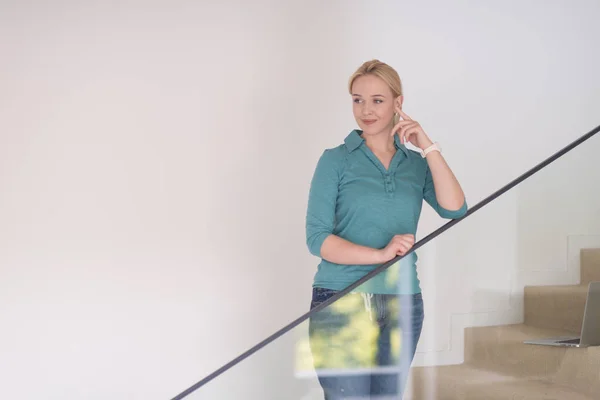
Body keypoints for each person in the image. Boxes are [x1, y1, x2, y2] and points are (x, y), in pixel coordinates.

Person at [305, 59, 468, 399]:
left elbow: (455, 209)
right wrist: (379, 254)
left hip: (403, 303)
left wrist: (427, 145)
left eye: (377, 100)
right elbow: (317, 238)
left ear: (398, 103)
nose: (365, 109)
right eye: (357, 99)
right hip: (340, 301)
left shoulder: (415, 165)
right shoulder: (335, 160)